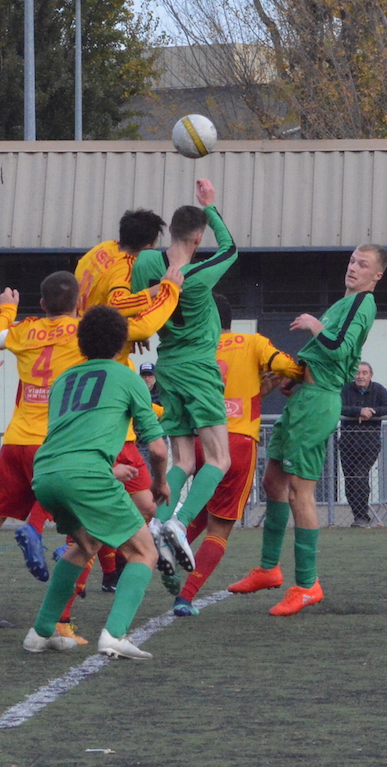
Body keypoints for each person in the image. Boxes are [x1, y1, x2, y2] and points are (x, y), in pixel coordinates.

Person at [0, 269, 182, 635]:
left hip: (22, 438)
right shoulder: (91, 336)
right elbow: (145, 326)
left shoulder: (26, 331)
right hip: (79, 439)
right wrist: (169, 290)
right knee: (107, 520)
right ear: (80, 303)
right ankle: (71, 615)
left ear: (41, 303)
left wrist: (7, 308)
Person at [229, 244, 384, 615]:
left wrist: (315, 326)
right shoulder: (341, 304)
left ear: (376, 276)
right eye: (352, 261)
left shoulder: (363, 303)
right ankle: (268, 569)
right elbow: (326, 352)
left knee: (301, 489)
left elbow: (338, 347)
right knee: (272, 481)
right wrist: (295, 374)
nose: (353, 268)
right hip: (305, 396)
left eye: (363, 264)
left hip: (319, 402)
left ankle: (307, 583)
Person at [23, 305, 172, 659]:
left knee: (85, 543)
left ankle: (41, 631)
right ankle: (115, 635)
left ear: (80, 341)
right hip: (86, 475)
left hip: (45, 474)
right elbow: (158, 449)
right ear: (124, 343)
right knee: (144, 550)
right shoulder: (127, 377)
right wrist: (160, 484)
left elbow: (71, 438)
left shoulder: (64, 380)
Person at [130, 179, 237, 570]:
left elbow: (134, 302)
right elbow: (230, 249)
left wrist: (138, 332)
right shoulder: (197, 273)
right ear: (196, 237)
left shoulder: (145, 263)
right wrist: (210, 205)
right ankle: (179, 522)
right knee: (219, 459)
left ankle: (158, 524)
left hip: (167, 365)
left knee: (184, 460)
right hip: (197, 364)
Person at [172, 295, 299, 615]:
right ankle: (185, 597)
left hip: (201, 439)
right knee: (220, 528)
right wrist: (290, 377)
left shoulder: (193, 348)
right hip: (238, 443)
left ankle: (163, 548)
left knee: (200, 510)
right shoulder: (252, 342)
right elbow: (287, 366)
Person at [337, 361, 387, 526]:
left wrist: (372, 411)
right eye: (357, 373)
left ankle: (363, 516)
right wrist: (358, 411)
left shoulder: (379, 390)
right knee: (350, 481)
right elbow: (337, 407)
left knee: (360, 476)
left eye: (364, 373)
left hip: (370, 443)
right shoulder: (345, 389)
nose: (360, 376)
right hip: (348, 443)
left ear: (370, 375)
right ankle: (358, 516)